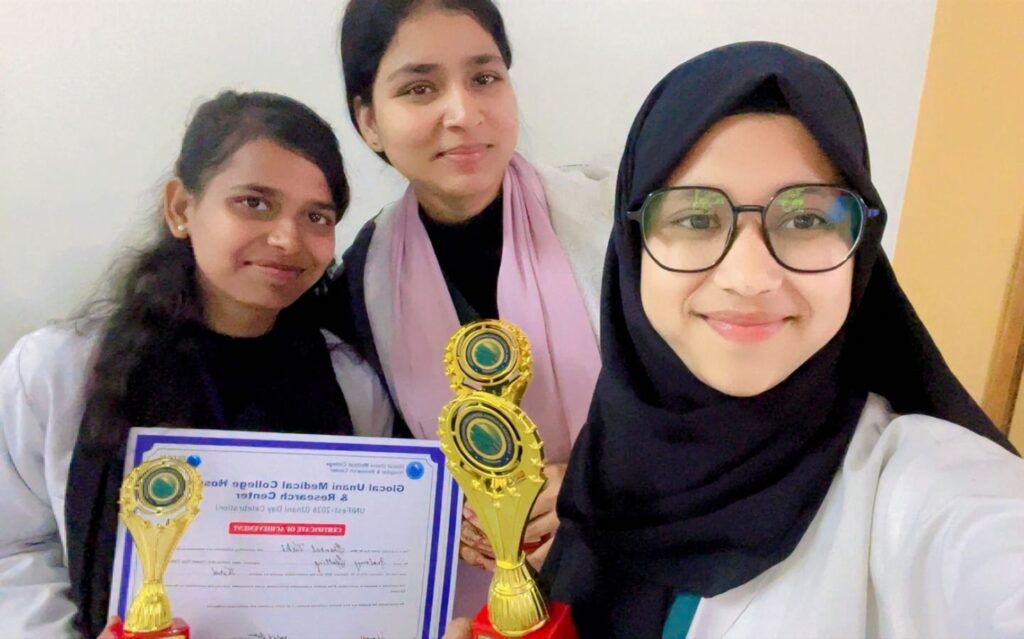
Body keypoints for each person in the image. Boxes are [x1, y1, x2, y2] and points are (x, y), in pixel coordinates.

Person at [534, 42, 1024, 638]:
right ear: (633, 245)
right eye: (695, 218)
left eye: (806, 219)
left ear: (862, 247)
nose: (749, 278)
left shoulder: (920, 490)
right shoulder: (613, 459)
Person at [0, 91, 393, 638]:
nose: (287, 239)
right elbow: (14, 547)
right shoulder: (56, 370)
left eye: (316, 216)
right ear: (181, 209)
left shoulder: (351, 384)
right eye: (254, 202)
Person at [331, 0, 613, 615]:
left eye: (484, 77)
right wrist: (437, 507)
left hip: (636, 563)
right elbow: (379, 459)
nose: (463, 113)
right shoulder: (362, 277)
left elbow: (695, 401)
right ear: (369, 121)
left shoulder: (613, 221)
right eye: (420, 88)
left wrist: (595, 479)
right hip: (468, 599)